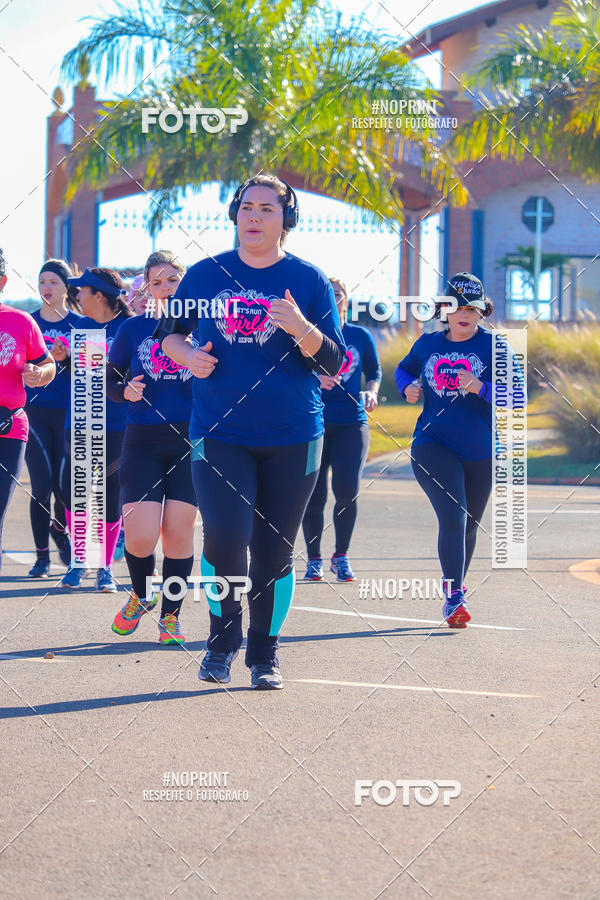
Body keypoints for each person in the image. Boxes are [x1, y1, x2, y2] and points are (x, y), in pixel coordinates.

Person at [156, 174, 345, 689]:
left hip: (294, 435)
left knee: (274, 549)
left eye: (267, 208)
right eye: (246, 207)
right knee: (225, 537)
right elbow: (168, 337)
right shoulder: (205, 275)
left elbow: (335, 358)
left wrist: (302, 327)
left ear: (287, 218)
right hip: (219, 433)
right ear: (235, 214)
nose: (255, 216)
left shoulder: (308, 280)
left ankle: (265, 654)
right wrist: (188, 356)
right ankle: (221, 645)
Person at [395, 272, 523, 627]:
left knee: (468, 526)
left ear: (482, 312)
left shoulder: (495, 347)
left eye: (472, 308)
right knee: (454, 516)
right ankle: (454, 599)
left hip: (481, 452)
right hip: (432, 444)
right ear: (444, 309)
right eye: (456, 306)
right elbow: (403, 371)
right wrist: (407, 388)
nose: (464, 313)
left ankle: (455, 591)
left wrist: (481, 387)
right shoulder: (428, 344)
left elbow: (518, 397)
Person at [107, 250, 197, 644]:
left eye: (172, 280)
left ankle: (170, 619)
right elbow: (109, 381)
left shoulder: (207, 327)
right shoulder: (131, 330)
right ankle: (142, 595)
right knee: (141, 536)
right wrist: (124, 390)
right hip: (142, 438)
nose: (165, 288)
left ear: (185, 284)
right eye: (156, 282)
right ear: (146, 288)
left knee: (178, 534)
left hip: (191, 441)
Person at [302, 277, 381, 582]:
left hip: (352, 421)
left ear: (346, 300)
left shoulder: (360, 335)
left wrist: (372, 391)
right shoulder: (309, 335)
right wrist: (315, 380)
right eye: (329, 295)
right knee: (315, 493)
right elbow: (291, 370)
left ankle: (341, 556)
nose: (334, 299)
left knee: (347, 489)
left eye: (339, 294)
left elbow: (374, 370)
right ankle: (313, 559)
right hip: (314, 422)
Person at [59, 267, 132, 592]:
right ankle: (79, 560)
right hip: (81, 422)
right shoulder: (84, 325)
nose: (76, 296)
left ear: (99, 295)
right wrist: (65, 360)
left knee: (109, 495)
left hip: (118, 425)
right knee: (76, 492)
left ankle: (103, 566)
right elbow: (85, 377)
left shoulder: (126, 327)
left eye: (81, 291)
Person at [0, 249, 56, 573]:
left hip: (8, 427)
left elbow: (47, 363)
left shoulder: (20, 321)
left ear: (3, 281)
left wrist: (40, 374)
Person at [25, 260, 81, 576]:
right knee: (42, 484)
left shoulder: (80, 324)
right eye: (42, 281)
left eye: (54, 282)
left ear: (66, 288)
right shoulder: (27, 322)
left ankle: (60, 529)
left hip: (70, 415)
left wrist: (69, 357)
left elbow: (93, 371)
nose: (47, 287)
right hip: (33, 413)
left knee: (66, 487)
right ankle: (42, 558)